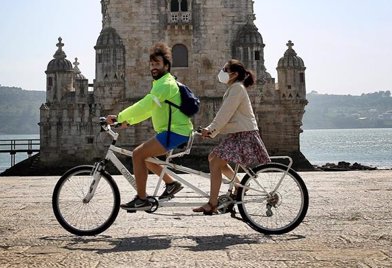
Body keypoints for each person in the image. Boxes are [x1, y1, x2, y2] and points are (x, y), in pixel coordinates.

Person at [106, 42, 194, 211]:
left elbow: (145, 105)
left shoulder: (165, 84)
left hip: (176, 132)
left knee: (138, 154)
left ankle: (142, 198)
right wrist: (127, 122)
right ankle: (171, 184)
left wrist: (120, 116)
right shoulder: (161, 84)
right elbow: (149, 110)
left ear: (166, 66)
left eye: (157, 64)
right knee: (145, 157)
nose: (153, 67)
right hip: (174, 131)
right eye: (152, 64)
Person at [194, 59, 270, 215]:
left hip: (244, 134)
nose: (222, 72)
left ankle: (212, 203)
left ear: (234, 74)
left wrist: (210, 129)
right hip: (239, 134)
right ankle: (239, 185)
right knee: (213, 156)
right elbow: (227, 116)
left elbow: (225, 113)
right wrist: (212, 131)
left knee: (215, 162)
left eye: (225, 69)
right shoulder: (234, 88)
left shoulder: (237, 89)